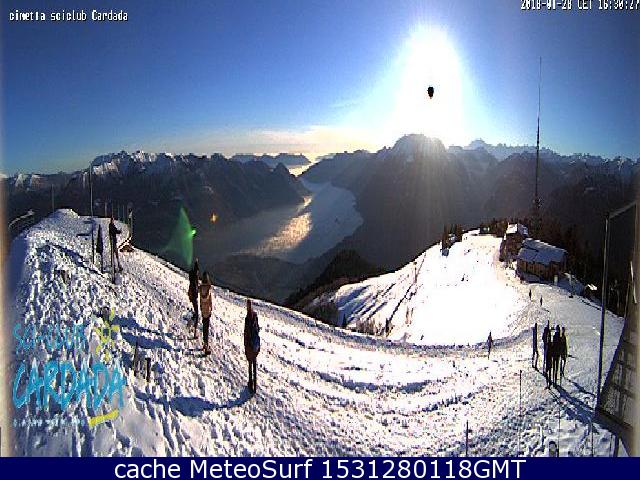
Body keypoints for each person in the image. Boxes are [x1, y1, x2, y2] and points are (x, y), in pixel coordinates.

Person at [244, 299, 260, 394]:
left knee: (250, 365)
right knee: (254, 364)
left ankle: (251, 384)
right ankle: (255, 384)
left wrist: (245, 346)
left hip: (249, 345)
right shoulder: (255, 316)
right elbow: (258, 329)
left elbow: (246, 333)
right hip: (255, 345)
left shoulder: (247, 318)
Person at [199, 271, 213, 355]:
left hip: (203, 310)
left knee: (204, 326)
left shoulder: (201, 288)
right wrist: (211, 308)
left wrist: (201, 308)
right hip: (207, 310)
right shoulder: (208, 288)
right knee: (206, 327)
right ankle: (206, 344)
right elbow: (210, 300)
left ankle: (204, 343)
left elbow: (201, 300)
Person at [188, 259, 200, 339]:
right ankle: (195, 332)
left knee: (196, 314)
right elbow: (196, 271)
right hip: (194, 298)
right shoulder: (194, 281)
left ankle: (190, 324)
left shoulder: (192, 280)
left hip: (193, 297)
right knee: (197, 315)